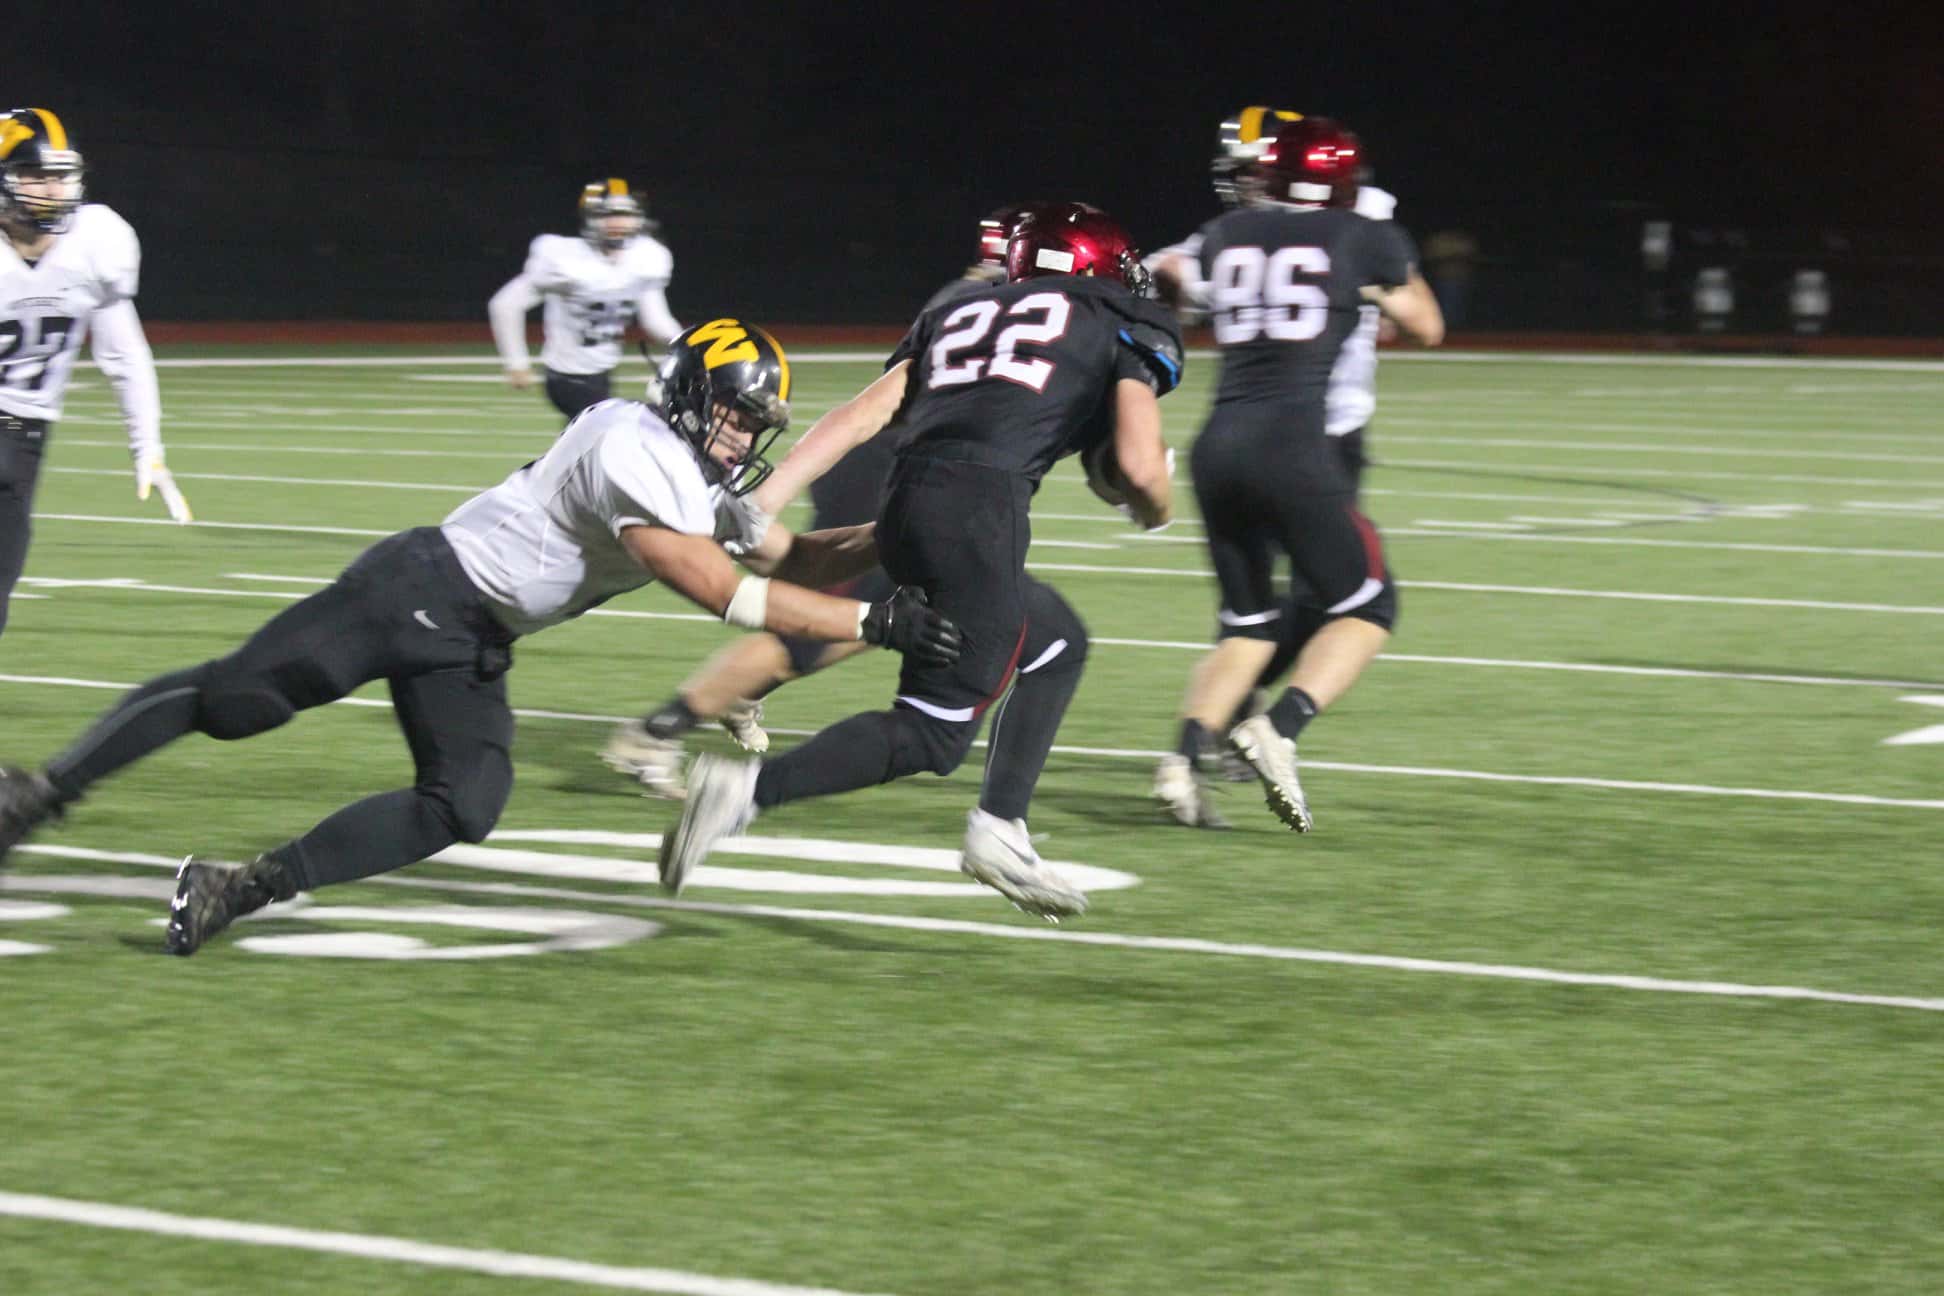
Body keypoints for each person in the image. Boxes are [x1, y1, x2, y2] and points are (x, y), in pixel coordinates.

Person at [0, 321, 962, 955]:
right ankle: (39, 791)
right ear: (688, 392)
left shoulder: (691, 473)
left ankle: (238, 888)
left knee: (463, 805)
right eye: (735, 416)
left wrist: (899, 537)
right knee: (236, 702)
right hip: (415, 589)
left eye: (755, 426)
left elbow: (797, 557)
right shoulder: (629, 442)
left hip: (474, 638)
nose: (742, 440)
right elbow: (716, 588)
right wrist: (873, 621)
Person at [658, 204, 1182, 922]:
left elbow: (862, 415)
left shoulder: (961, 310)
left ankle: (1004, 824)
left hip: (905, 500)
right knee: (932, 733)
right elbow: (1139, 468)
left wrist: (763, 502)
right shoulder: (1118, 315)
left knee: (1057, 642)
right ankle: (746, 792)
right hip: (979, 512)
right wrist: (1154, 508)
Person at [601, 203, 1064, 798]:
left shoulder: (983, 300)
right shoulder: (994, 304)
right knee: (828, 624)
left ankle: (740, 693)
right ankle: (658, 732)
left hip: (911, 477)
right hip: (893, 473)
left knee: (897, 620)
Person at [1156, 117, 1442, 834]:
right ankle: (1278, 727)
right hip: (1297, 446)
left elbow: (1171, 282)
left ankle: (1182, 760)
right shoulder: (1362, 232)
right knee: (1369, 605)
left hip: (1218, 445)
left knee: (1247, 624)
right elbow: (1427, 326)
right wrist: (1369, 290)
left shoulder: (1225, 234)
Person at [0, 106, 190, 641]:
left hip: (27, 440)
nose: (52, 190)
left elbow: (124, 355)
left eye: (61, 176)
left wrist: (147, 445)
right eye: (35, 175)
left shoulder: (95, 241)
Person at [488, 179, 681, 422]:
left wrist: (688, 346)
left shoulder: (646, 258)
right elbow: (505, 304)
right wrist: (516, 362)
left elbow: (656, 319)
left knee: (587, 438)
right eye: (608, 215)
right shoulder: (567, 260)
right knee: (612, 429)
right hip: (567, 377)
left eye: (625, 215)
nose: (618, 223)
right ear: (590, 218)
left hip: (602, 373)